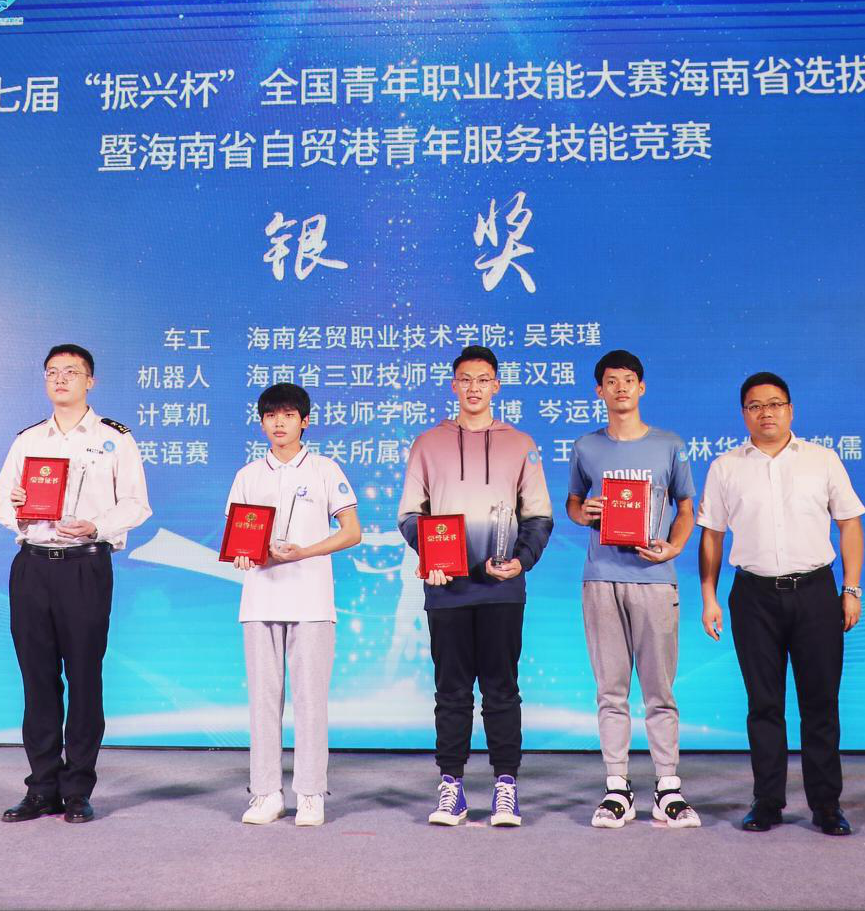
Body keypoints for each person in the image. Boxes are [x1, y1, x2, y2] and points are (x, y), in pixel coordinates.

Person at [696, 372, 865, 836]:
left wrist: (851, 589)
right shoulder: (726, 467)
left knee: (820, 703)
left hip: (815, 594)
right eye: (755, 406)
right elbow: (712, 536)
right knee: (763, 704)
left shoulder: (822, 460)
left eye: (774, 404)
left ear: (790, 410)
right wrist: (709, 597)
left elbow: (849, 524)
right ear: (743, 414)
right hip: (753, 597)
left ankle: (826, 805)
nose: (765, 413)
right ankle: (767, 801)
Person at [0, 344, 151, 824]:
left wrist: (97, 526)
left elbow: (136, 503)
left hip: (85, 566)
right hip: (32, 566)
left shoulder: (114, 439)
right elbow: (2, 501)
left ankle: (78, 788)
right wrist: (18, 508)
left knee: (83, 678)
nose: (60, 379)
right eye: (52, 372)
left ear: (90, 381)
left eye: (71, 372)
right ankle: (41, 788)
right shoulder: (27, 439)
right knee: (37, 680)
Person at [397, 345, 553, 827]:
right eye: (465, 379)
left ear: (497, 386)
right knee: (451, 690)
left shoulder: (520, 443)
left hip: (502, 589)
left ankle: (506, 786)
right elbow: (410, 515)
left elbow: (539, 515)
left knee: (502, 689)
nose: (474, 388)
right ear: (453, 385)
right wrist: (432, 558)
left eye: (483, 379)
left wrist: (521, 561)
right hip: (446, 589)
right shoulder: (428, 443)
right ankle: (452, 787)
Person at [565, 350, 700, 829]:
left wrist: (673, 548)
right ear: (599, 391)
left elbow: (686, 507)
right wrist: (585, 512)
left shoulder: (669, 445)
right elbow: (573, 505)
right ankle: (617, 787)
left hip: (654, 579)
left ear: (642, 388)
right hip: (601, 577)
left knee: (660, 690)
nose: (620, 388)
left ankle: (667, 787)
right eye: (611, 381)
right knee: (611, 690)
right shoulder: (586, 447)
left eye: (628, 380)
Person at [225, 383, 361, 827]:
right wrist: (244, 553)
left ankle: (310, 794)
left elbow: (352, 531)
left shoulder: (324, 469)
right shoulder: (248, 475)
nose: (279, 423)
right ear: (261, 422)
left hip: (311, 600)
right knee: (263, 702)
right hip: (260, 599)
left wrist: (304, 552)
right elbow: (237, 537)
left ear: (305, 421)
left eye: (288, 415)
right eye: (270, 416)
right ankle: (266, 793)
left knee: (310, 701)